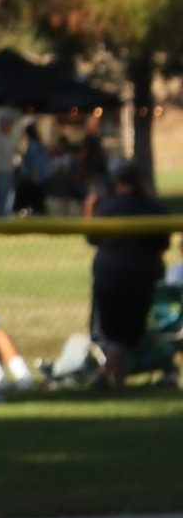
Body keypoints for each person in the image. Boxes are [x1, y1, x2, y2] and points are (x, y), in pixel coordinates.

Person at [83, 146, 157, 384]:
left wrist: (89, 209)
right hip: (144, 277)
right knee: (132, 332)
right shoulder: (151, 207)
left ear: (117, 182)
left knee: (112, 336)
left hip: (111, 278)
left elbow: (91, 238)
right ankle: (115, 375)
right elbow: (163, 242)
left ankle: (117, 384)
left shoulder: (108, 207)